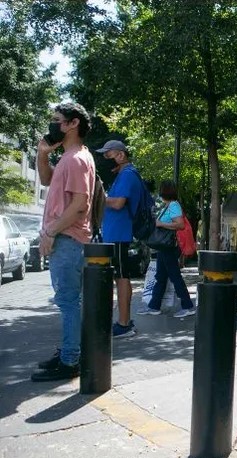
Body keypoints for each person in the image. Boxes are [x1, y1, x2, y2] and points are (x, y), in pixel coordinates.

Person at [31, 103, 96, 382]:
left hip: (69, 240)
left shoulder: (77, 159)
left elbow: (81, 204)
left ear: (73, 124)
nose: (53, 124)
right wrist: (42, 154)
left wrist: (50, 232)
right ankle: (69, 352)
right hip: (67, 239)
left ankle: (70, 360)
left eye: (57, 120)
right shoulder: (69, 158)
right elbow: (47, 179)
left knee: (69, 302)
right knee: (68, 301)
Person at [95, 140, 142, 339]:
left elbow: (118, 203)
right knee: (119, 277)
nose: (105, 159)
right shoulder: (123, 174)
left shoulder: (127, 175)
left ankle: (124, 324)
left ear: (121, 155)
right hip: (115, 234)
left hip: (119, 235)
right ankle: (123, 321)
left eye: (108, 155)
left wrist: (95, 197)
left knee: (122, 278)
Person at [138, 180, 196, 318]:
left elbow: (180, 225)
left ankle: (187, 306)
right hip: (165, 248)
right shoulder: (169, 205)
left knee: (175, 277)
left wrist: (161, 223)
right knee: (161, 276)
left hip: (169, 247)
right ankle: (154, 306)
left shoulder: (174, 205)